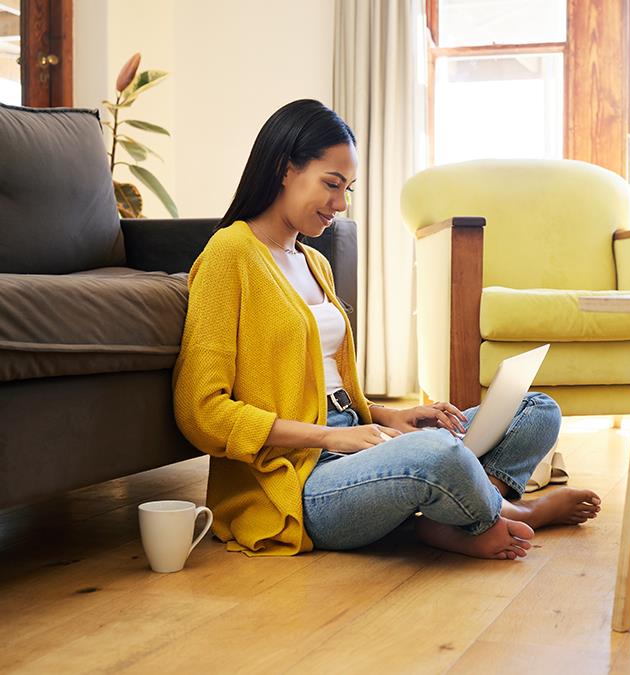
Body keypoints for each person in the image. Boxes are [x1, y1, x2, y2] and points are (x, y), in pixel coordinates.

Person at [172, 99, 601, 560]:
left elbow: (325, 387)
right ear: (284, 168)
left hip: (361, 439)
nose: (340, 204)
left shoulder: (314, 262)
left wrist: (386, 417)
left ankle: (453, 515)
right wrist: (330, 437)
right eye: (331, 185)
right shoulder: (229, 255)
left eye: (347, 189)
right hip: (302, 479)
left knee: (537, 410)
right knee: (435, 454)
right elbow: (202, 412)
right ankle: (515, 513)